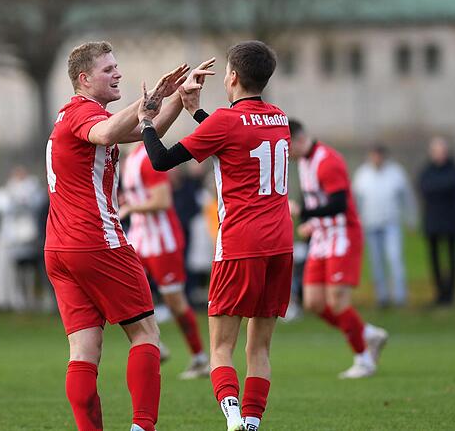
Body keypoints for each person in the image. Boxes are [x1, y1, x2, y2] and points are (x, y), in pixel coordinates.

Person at [142, 41, 293, 431]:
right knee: (259, 347)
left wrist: (146, 120)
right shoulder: (279, 119)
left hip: (240, 244)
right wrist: (196, 112)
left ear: (232, 77)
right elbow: (236, 140)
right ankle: (252, 424)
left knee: (221, 347)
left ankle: (231, 418)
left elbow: (160, 160)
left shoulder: (226, 121)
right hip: (280, 245)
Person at [44, 40, 193, 431]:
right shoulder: (84, 113)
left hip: (60, 248)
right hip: (96, 241)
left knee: (83, 349)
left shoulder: (71, 116)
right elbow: (107, 132)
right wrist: (147, 100)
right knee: (146, 333)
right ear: (84, 78)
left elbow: (149, 129)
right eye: (108, 69)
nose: (118, 74)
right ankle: (143, 426)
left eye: (117, 67)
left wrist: (177, 96)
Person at [290, 121, 389, 380]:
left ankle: (363, 359)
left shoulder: (328, 161)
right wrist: (310, 223)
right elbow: (312, 198)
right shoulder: (303, 162)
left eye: (288, 147)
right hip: (322, 237)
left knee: (337, 301)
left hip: (343, 235)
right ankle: (368, 333)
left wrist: (305, 213)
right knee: (313, 302)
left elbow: (338, 204)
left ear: (299, 140)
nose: (286, 153)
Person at [120, 143, 210, 379]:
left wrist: (130, 208)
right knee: (122, 292)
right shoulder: (128, 160)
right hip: (138, 239)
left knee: (175, 303)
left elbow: (162, 201)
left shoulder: (147, 158)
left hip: (162, 241)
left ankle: (200, 359)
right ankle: (153, 343)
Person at [352, 144, 417, 308]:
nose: (377, 159)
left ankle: (400, 296)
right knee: (376, 262)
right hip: (371, 224)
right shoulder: (362, 175)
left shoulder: (396, 173)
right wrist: (355, 223)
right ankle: (382, 297)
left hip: (391, 223)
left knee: (395, 259)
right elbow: (355, 201)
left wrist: (410, 219)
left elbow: (407, 198)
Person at [0, 166, 46, 310]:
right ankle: (14, 301)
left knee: (30, 272)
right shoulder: (5, 191)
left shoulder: (33, 189)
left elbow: (36, 203)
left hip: (30, 239)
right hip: (11, 240)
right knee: (11, 273)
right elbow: (4, 206)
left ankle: (31, 299)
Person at [417, 137, 455, 306]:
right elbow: (424, 187)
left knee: (451, 258)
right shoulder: (427, 170)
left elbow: (450, 185)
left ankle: (451, 294)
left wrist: (436, 188)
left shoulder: (454, 169)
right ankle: (440, 292)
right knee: (434, 259)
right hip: (433, 221)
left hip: (450, 221)